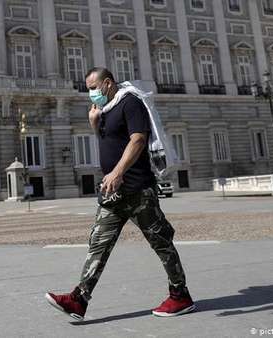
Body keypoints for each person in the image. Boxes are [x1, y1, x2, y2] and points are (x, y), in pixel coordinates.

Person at [45, 67, 195, 320]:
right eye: (88, 89)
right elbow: (111, 142)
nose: (90, 93)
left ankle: (180, 296)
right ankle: (79, 299)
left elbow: (137, 140)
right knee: (98, 245)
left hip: (138, 190)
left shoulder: (130, 102)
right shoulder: (106, 109)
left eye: (93, 87)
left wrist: (117, 172)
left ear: (107, 83)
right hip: (113, 193)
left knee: (161, 243)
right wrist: (95, 125)